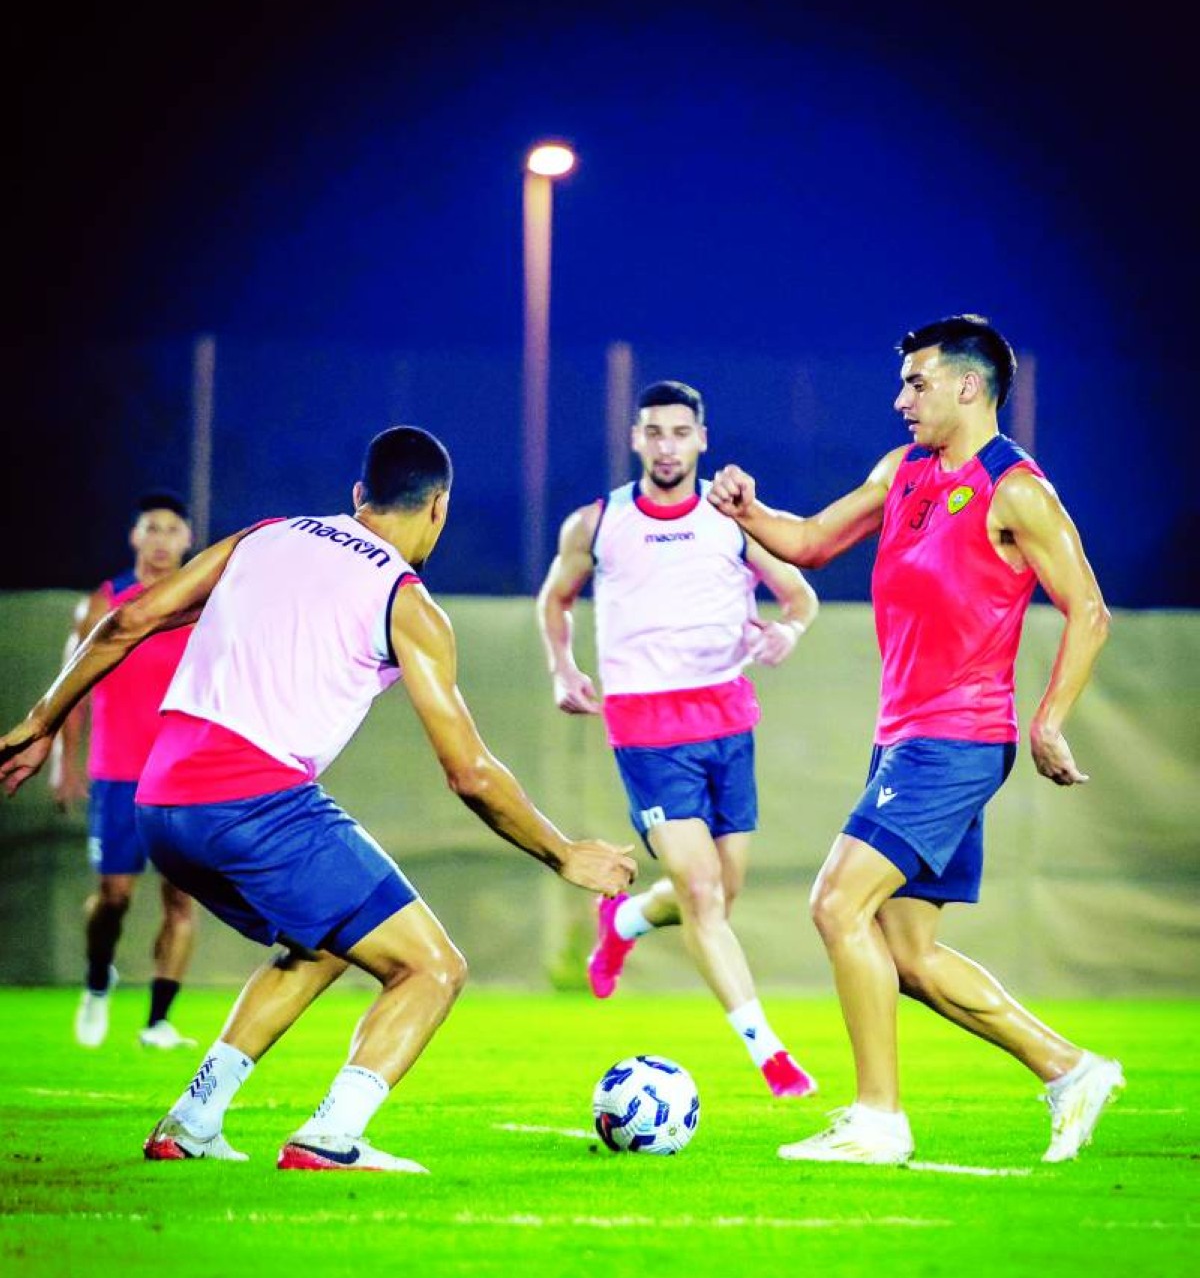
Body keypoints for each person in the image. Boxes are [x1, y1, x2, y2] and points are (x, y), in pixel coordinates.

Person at [1, 426, 636, 1172]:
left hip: (159, 801)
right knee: (432, 967)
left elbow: (130, 619)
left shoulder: (266, 535)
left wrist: (42, 722)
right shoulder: (407, 602)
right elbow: (469, 772)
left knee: (323, 939)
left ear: (359, 495)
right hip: (255, 801)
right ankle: (331, 1136)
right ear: (439, 507)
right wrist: (563, 853)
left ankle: (193, 1119)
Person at [709, 314, 1122, 1165]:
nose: (902, 400)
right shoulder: (902, 471)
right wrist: (749, 512)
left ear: (969, 386)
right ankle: (1070, 1069)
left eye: (917, 383)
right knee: (907, 955)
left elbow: (1088, 609)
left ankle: (878, 1119)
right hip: (904, 739)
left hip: (957, 740)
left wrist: (1049, 718)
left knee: (836, 905)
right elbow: (812, 542)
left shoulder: (1018, 491)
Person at [537, 380, 820, 1098]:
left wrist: (787, 632)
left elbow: (800, 596)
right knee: (700, 889)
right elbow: (556, 599)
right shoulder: (597, 523)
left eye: (680, 432)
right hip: (645, 726)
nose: (667, 446)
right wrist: (563, 667)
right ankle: (770, 1055)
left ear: (702, 439)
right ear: (636, 439)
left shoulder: (732, 521)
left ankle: (625, 919)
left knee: (723, 892)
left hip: (727, 718)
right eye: (654, 432)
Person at [49, 490, 198, 1050]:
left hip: (184, 777)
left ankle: (157, 1022)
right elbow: (70, 687)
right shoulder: (104, 603)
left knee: (181, 900)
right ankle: (97, 980)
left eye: (172, 529)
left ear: (188, 540)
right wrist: (64, 762)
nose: (161, 540)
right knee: (114, 897)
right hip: (116, 775)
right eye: (151, 528)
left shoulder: (203, 603)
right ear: (135, 536)